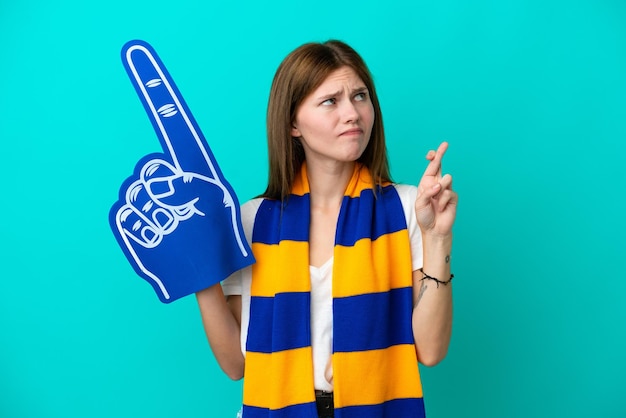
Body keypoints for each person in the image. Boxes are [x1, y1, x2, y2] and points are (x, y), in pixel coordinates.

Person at [196, 40, 457, 418]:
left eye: (360, 96)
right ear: (291, 123)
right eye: (331, 101)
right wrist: (199, 269)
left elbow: (430, 351)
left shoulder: (406, 208)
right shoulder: (253, 221)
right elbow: (236, 364)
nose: (352, 113)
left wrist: (438, 237)